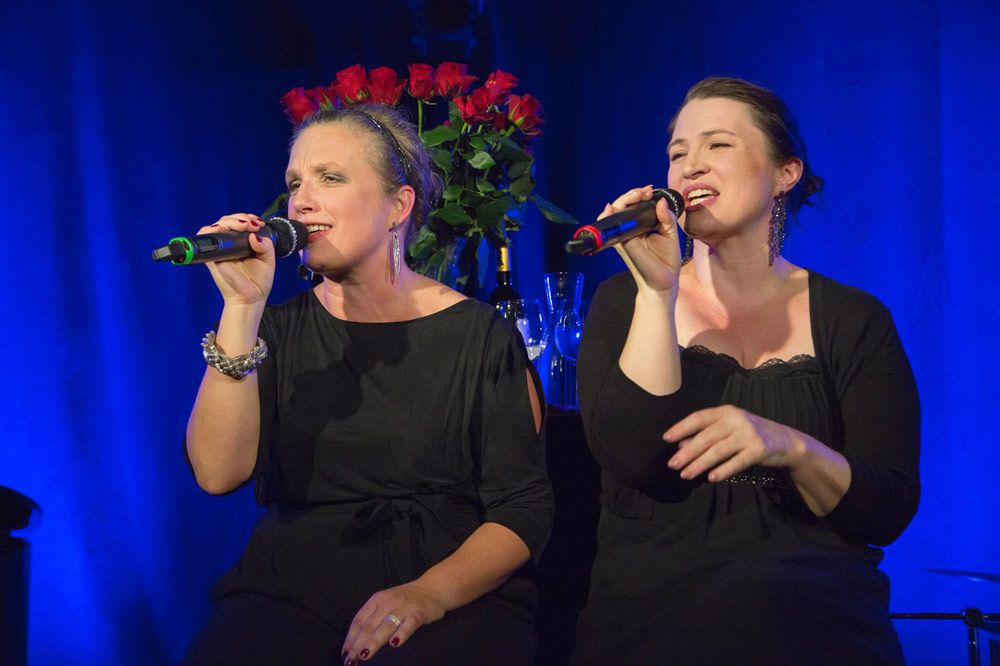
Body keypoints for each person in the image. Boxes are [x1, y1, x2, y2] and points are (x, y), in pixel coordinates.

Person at [181, 104, 553, 666]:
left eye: (330, 178)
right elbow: (216, 473)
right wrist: (241, 306)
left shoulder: (477, 336)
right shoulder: (271, 329)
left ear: (398, 206)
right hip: (293, 588)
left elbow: (522, 509)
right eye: (295, 184)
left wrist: (429, 594)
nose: (301, 201)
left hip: (445, 584)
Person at [570, 77, 920, 665]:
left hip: (819, 624)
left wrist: (790, 447)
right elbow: (633, 460)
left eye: (718, 145)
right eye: (678, 153)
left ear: (785, 172)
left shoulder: (853, 318)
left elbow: (886, 507)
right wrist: (658, 293)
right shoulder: (624, 302)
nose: (690, 166)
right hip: (656, 623)